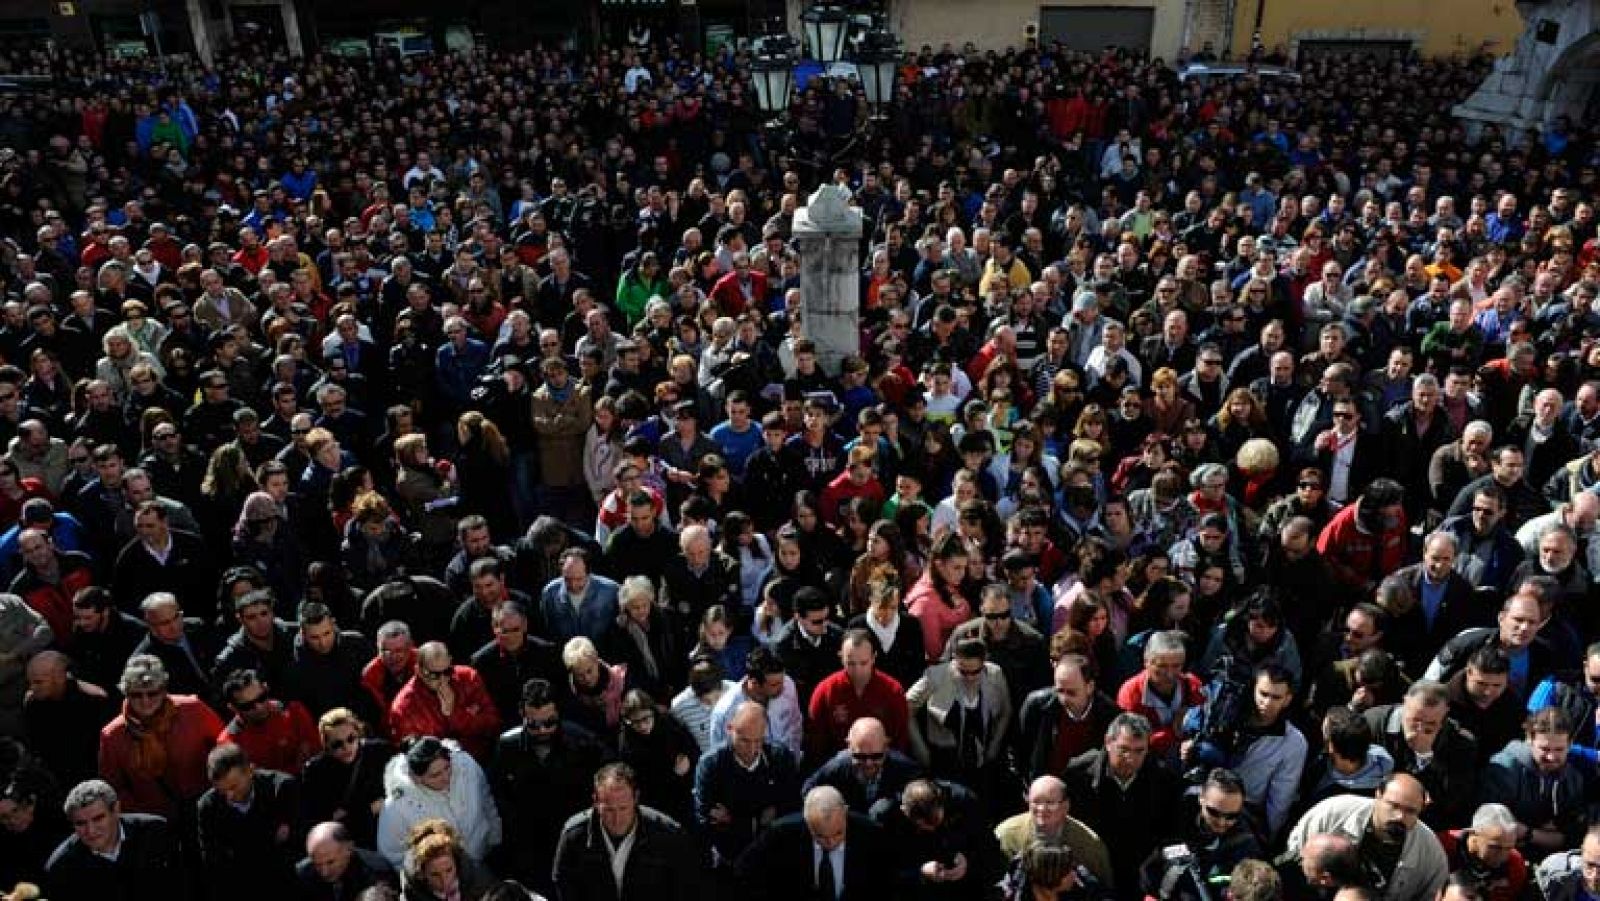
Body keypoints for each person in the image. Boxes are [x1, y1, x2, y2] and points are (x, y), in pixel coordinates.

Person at [97, 654, 225, 820]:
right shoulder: (113, 735)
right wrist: (143, 815)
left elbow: (225, 745)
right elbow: (113, 788)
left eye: (152, 693)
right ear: (126, 693)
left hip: (209, 805)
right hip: (159, 822)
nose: (145, 701)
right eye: (136, 694)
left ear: (164, 690)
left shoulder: (192, 709)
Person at [1284, 774, 1449, 901]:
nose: (1400, 816)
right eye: (1394, 805)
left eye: (1410, 811)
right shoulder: (1333, 813)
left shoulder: (1430, 854)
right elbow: (1294, 854)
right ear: (1378, 795)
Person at [551, 762, 702, 901]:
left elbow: (685, 888)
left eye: (623, 808)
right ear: (595, 801)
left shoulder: (668, 835)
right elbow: (564, 886)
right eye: (609, 810)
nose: (617, 819)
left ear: (636, 798)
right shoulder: (574, 836)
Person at [733, 785, 894, 901]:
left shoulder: (872, 834)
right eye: (820, 836)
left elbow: (886, 883)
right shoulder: (781, 833)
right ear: (806, 820)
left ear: (845, 813)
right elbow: (744, 870)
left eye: (838, 833)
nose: (831, 843)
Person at [693, 699, 801, 866]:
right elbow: (704, 818)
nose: (752, 750)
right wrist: (759, 818)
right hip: (730, 857)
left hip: (773, 853)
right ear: (729, 729)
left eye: (758, 740)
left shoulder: (780, 758)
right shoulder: (711, 764)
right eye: (744, 740)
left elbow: (792, 806)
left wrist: (732, 819)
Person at [43, 779, 185, 901]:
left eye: (98, 819)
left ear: (116, 810)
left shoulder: (155, 832)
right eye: (81, 823)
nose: (91, 831)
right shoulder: (61, 867)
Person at [194, 744, 301, 901]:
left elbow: (297, 844)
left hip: (285, 882)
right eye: (222, 791)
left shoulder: (282, 790)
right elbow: (213, 862)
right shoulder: (208, 806)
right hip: (241, 889)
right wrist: (269, 836)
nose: (229, 796)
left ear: (250, 771)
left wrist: (240, 848)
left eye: (234, 787)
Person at [375, 736, 501, 869]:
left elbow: (486, 801)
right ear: (415, 777)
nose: (446, 777)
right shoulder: (396, 807)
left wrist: (495, 838)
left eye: (447, 768)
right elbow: (392, 854)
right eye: (436, 775)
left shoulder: (467, 766)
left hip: (483, 860)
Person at [1138, 768, 1263, 901]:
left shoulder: (1245, 842)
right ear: (1201, 798)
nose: (1222, 822)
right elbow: (1146, 869)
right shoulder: (1173, 817)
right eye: (1214, 812)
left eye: (1232, 816)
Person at [299, 707, 396, 850]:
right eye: (337, 744)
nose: (347, 747)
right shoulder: (316, 772)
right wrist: (369, 809)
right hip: (350, 844)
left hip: (388, 828)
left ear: (358, 734)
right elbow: (326, 825)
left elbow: (397, 795)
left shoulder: (380, 752)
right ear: (326, 745)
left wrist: (351, 814)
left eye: (351, 739)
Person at [994, 776, 1115, 887]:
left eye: (1050, 803)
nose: (1042, 809)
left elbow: (1104, 889)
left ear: (1066, 806)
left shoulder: (1088, 845)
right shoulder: (1006, 835)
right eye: (1036, 802)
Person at [388, 641, 500, 760]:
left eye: (447, 672)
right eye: (434, 675)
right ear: (419, 671)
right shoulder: (404, 707)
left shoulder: (468, 678)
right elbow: (416, 754)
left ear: (450, 661)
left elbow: (493, 724)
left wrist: (455, 713)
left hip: (480, 759)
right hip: (437, 771)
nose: (443, 680)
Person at [803, 716, 923, 814]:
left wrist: (895, 803)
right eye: (860, 756)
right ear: (849, 747)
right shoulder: (838, 767)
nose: (868, 763)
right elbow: (808, 791)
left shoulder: (905, 769)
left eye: (876, 756)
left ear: (886, 746)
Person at [295, 821, 398, 901]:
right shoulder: (302, 873)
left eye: (330, 862)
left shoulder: (378, 872)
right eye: (317, 864)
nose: (324, 872)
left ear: (349, 849)